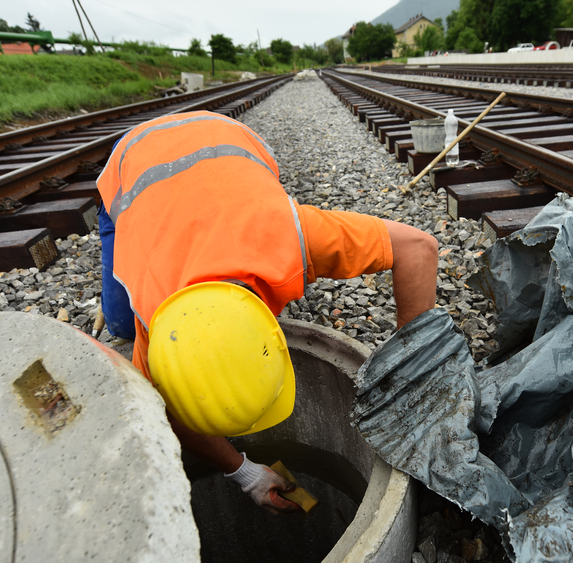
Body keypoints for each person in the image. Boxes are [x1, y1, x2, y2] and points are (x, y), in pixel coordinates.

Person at [96, 110, 439, 513]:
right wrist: (242, 471)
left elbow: (419, 249)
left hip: (228, 140)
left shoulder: (292, 236)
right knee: (119, 322)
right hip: (131, 169)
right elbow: (164, 406)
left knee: (119, 323)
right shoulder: (151, 313)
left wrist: (413, 376)